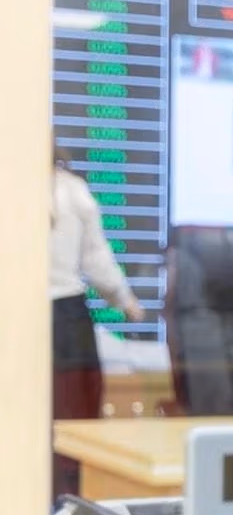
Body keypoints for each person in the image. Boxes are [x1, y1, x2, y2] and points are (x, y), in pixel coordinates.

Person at [50, 147, 145, 424]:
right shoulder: (72, 190)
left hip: (30, 315)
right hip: (66, 319)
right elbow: (96, 259)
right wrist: (125, 300)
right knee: (75, 416)